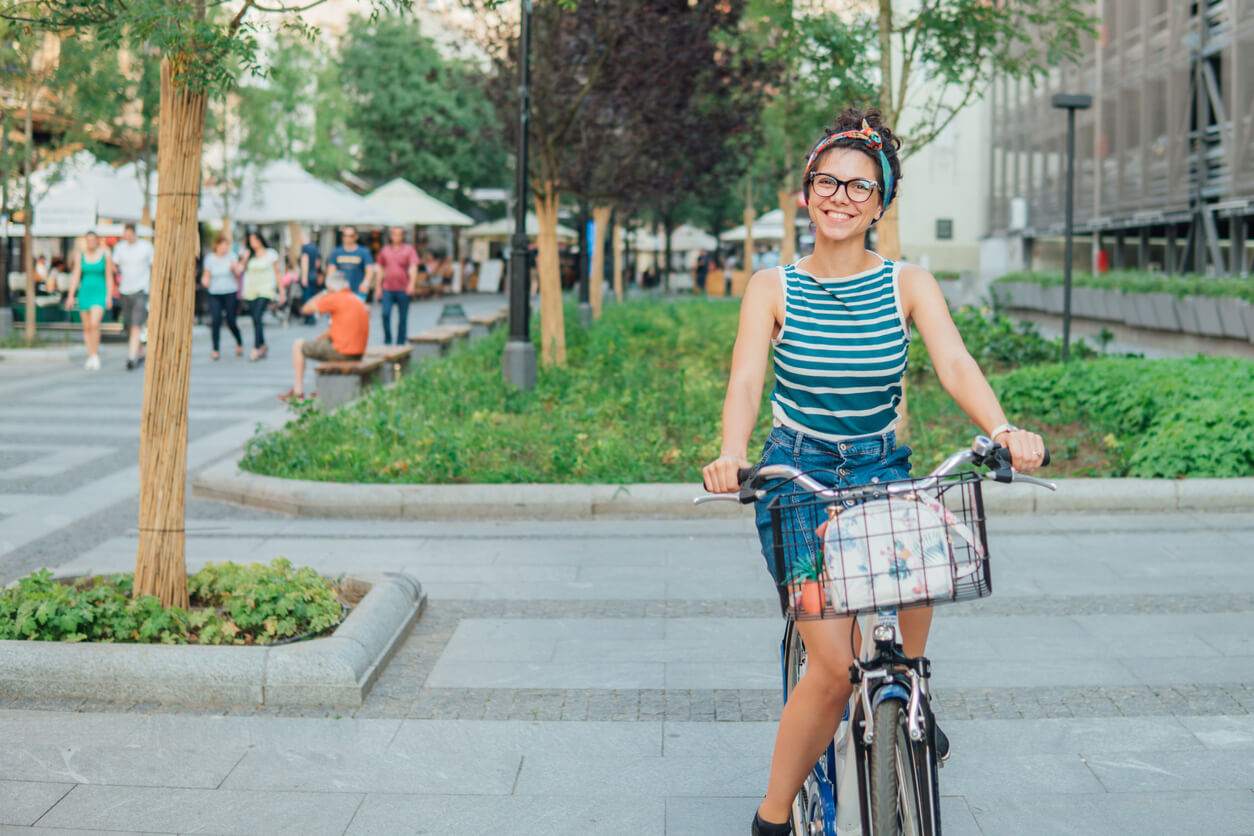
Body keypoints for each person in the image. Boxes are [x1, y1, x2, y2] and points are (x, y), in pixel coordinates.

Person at [699, 108, 1047, 836]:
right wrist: (734, 454)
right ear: (805, 193)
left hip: (882, 465)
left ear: (879, 206)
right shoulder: (772, 288)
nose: (839, 196)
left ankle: (912, 692)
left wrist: (1003, 429)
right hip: (798, 476)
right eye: (826, 181)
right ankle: (770, 821)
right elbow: (744, 382)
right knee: (830, 671)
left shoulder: (907, 282)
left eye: (859, 187)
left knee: (926, 553)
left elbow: (954, 362)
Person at [280, 272, 369, 401]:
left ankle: (297, 391)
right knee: (322, 345)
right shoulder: (355, 298)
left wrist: (323, 293)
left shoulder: (335, 298)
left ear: (331, 288)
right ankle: (320, 389)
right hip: (358, 352)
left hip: (343, 352)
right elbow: (335, 330)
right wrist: (317, 340)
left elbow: (305, 309)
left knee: (298, 345)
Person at [66, 231, 115, 371]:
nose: (91, 242)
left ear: (97, 240)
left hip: (100, 293)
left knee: (94, 324)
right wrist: (70, 295)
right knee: (87, 327)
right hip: (84, 293)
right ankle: (90, 355)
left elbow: (109, 276)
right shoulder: (80, 255)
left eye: (93, 239)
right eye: (89, 240)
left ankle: (96, 355)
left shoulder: (105, 254)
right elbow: (76, 276)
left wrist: (109, 296)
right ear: (86, 241)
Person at [111, 223, 155, 370]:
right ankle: (140, 352)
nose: (128, 237)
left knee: (136, 324)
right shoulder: (120, 248)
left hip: (141, 289)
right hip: (125, 290)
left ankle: (131, 357)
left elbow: (153, 266)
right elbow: (114, 266)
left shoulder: (146, 247)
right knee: (130, 326)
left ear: (135, 234)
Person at [238, 230, 284, 361]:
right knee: (255, 318)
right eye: (250, 241)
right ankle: (263, 344)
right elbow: (240, 269)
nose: (253, 243)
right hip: (251, 289)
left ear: (260, 240)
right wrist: (244, 258)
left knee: (257, 316)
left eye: (254, 240)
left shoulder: (271, 254)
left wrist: (281, 292)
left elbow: (277, 273)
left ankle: (255, 349)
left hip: (265, 289)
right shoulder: (248, 254)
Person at [201, 235, 244, 360]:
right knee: (215, 320)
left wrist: (234, 267)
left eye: (227, 245)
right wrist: (205, 280)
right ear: (217, 245)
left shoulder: (231, 257)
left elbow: (238, 273)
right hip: (215, 292)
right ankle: (215, 349)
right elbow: (206, 274)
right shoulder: (210, 259)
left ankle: (239, 342)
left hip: (229, 291)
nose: (225, 248)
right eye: (223, 245)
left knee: (231, 320)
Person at [376, 226, 419, 345]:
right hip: (387, 288)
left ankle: (400, 341)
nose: (397, 237)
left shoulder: (409, 250)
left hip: (403, 288)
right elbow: (380, 268)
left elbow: (413, 267)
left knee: (402, 317)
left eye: (399, 234)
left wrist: (411, 284)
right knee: (385, 314)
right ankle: (388, 339)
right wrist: (378, 286)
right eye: (394, 234)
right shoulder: (385, 250)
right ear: (391, 236)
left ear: (402, 236)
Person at [326, 226, 374, 302]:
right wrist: (331, 286)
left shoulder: (363, 252)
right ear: (343, 237)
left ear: (356, 237)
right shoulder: (336, 252)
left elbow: (369, 270)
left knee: (356, 313)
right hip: (340, 291)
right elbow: (331, 270)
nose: (347, 238)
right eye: (345, 236)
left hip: (357, 291)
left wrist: (365, 283)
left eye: (350, 236)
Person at [299, 232, 321, 325]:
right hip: (313, 275)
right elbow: (317, 263)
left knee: (306, 297)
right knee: (312, 296)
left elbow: (305, 262)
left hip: (308, 275)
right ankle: (312, 316)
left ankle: (309, 317)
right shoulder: (314, 247)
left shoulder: (305, 248)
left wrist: (304, 276)